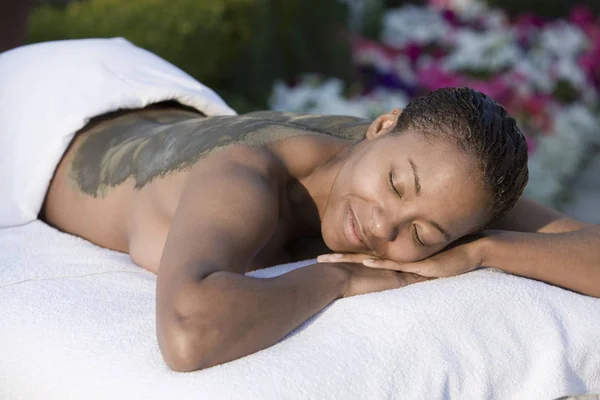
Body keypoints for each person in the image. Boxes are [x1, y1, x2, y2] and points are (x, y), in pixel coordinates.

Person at [40, 88, 600, 373]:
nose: (383, 225)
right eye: (395, 185)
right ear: (381, 126)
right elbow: (189, 333)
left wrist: (485, 251)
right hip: (50, 116)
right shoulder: (249, 173)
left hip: (170, 111)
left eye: (425, 236)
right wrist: (338, 280)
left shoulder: (440, 176)